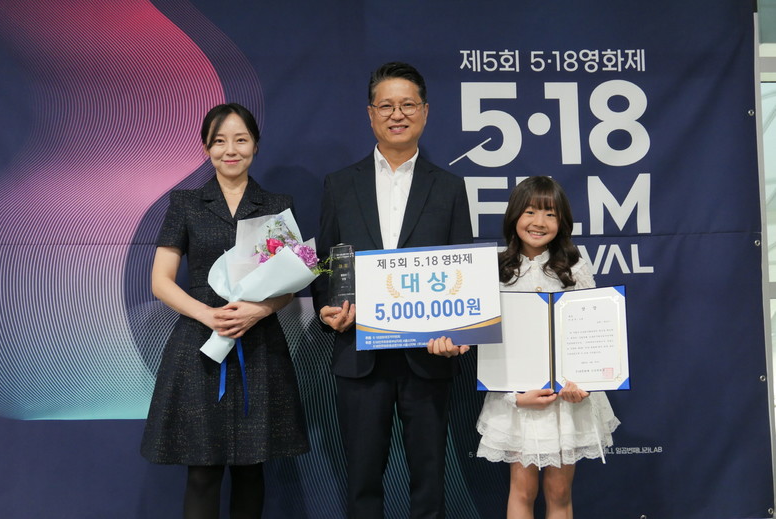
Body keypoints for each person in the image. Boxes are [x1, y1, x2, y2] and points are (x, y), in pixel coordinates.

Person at [312, 62, 473, 519]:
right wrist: (327, 309)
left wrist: (459, 330)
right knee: (361, 480)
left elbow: (462, 265)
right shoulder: (340, 184)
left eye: (407, 105)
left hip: (428, 355)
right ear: (370, 114)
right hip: (359, 351)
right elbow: (325, 263)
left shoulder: (449, 187)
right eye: (386, 106)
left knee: (430, 478)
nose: (397, 114)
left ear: (425, 112)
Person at [141, 103, 309, 519]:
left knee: (252, 468)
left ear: (255, 145)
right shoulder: (186, 203)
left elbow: (291, 284)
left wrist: (260, 309)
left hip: (259, 344)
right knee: (202, 470)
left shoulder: (276, 205)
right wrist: (207, 315)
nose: (230, 150)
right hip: (200, 344)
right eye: (219, 141)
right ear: (206, 148)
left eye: (240, 140)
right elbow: (161, 280)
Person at [476, 176, 620, 519]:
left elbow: (591, 329)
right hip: (518, 397)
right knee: (522, 489)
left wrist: (582, 384)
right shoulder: (495, 268)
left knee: (559, 491)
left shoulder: (574, 267)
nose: (539, 222)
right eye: (530, 212)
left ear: (562, 221)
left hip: (567, 399)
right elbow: (488, 342)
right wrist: (514, 396)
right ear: (514, 216)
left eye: (550, 214)